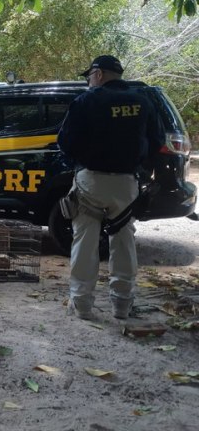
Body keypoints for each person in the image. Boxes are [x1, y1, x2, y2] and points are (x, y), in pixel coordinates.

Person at [57, 55, 165, 320]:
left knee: (84, 241)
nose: (88, 81)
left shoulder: (87, 101)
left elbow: (65, 141)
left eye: (89, 76)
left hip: (91, 181)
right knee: (124, 241)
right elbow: (157, 140)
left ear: (100, 74)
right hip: (126, 184)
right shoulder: (143, 101)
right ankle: (122, 304)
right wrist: (141, 170)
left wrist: (78, 163)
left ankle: (82, 304)